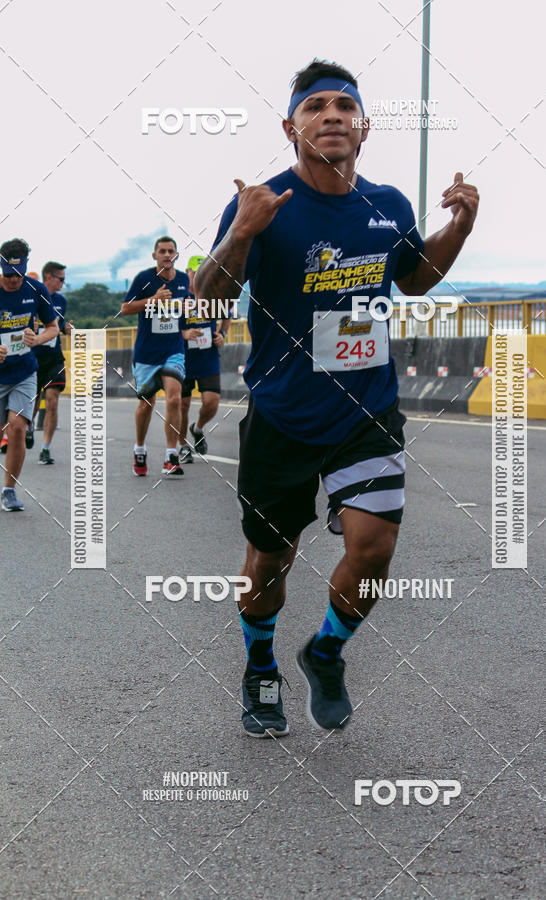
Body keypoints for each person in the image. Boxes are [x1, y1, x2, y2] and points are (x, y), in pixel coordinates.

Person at [196, 59, 479, 737]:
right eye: (315, 105)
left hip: (366, 410)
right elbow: (208, 298)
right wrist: (242, 232)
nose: (331, 115)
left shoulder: (387, 204)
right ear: (291, 125)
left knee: (374, 547)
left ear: (364, 126)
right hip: (283, 412)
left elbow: (412, 280)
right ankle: (261, 667)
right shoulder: (261, 203)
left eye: (343, 106)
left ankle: (325, 652)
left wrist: (460, 230)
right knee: (270, 561)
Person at [121, 236, 204, 476]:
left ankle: (170, 455)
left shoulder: (181, 280)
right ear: (155, 255)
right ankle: (140, 448)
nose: (167, 255)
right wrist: (152, 301)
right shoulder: (144, 278)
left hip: (174, 351)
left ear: (176, 255)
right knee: (146, 404)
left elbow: (188, 307)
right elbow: (125, 308)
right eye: (162, 251)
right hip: (147, 354)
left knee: (174, 398)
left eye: (171, 251)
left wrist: (189, 323)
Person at [0, 238, 59, 510]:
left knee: (18, 428)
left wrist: (37, 339)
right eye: (9, 275)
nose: (14, 281)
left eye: (19, 274)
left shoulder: (36, 289)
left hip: (24, 372)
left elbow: (53, 327)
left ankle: (9, 491)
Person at [178, 254, 231, 463]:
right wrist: (184, 334)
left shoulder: (212, 295)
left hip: (208, 357)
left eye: (203, 273)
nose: (199, 277)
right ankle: (182, 446)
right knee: (182, 405)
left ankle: (197, 429)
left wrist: (222, 334)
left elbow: (226, 315)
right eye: (195, 273)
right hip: (182, 358)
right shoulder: (179, 297)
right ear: (187, 273)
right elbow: (165, 324)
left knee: (211, 403)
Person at [32, 261, 73, 464]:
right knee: (31, 402)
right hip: (32, 357)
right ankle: (28, 428)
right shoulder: (31, 298)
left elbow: (59, 323)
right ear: (48, 277)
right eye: (61, 279)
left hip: (54, 358)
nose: (63, 283)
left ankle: (46, 449)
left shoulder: (61, 301)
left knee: (52, 400)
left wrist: (66, 328)